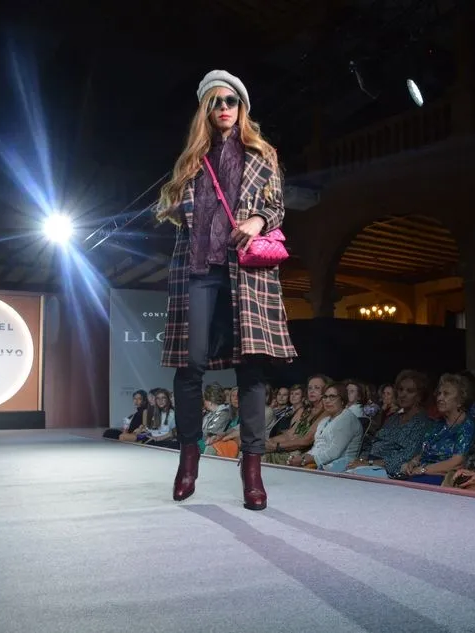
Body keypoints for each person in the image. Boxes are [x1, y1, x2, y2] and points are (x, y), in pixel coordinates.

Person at [155, 69, 297, 510]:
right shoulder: (192, 158)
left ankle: (252, 470)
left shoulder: (262, 154)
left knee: (251, 368)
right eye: (215, 101)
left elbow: (276, 206)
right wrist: (179, 205)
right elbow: (175, 210)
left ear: (241, 107)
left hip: (246, 270)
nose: (223, 108)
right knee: (190, 365)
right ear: (205, 109)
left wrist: (257, 220)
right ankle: (189, 457)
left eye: (230, 101)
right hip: (198, 267)